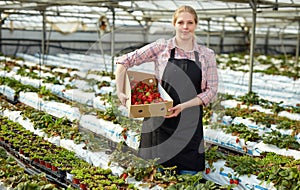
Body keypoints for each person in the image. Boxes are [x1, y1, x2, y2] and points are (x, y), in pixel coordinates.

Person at [115, 5, 218, 175]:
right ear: (174, 24)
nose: (185, 27)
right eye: (181, 22)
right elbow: (123, 62)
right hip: (159, 121)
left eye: (190, 22)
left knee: (189, 176)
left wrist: (183, 106)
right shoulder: (161, 47)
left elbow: (211, 90)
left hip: (189, 122)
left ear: (196, 25)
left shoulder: (206, 54)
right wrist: (121, 92)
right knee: (156, 178)